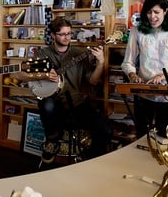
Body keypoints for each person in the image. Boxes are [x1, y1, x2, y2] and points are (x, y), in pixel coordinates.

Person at [15, 17, 112, 164]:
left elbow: (93, 81)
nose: (67, 37)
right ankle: (52, 140)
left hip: (77, 103)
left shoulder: (78, 54)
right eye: (62, 34)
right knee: (47, 104)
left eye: (69, 34)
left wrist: (101, 63)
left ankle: (89, 158)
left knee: (106, 130)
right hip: (54, 104)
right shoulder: (44, 54)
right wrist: (45, 75)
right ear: (53, 35)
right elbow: (19, 74)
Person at [121, 0, 168, 138]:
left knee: (165, 136)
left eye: (156, 12)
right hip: (143, 93)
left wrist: (165, 76)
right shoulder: (136, 31)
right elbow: (128, 62)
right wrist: (133, 74)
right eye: (148, 12)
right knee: (141, 136)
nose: (152, 16)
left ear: (165, 11)